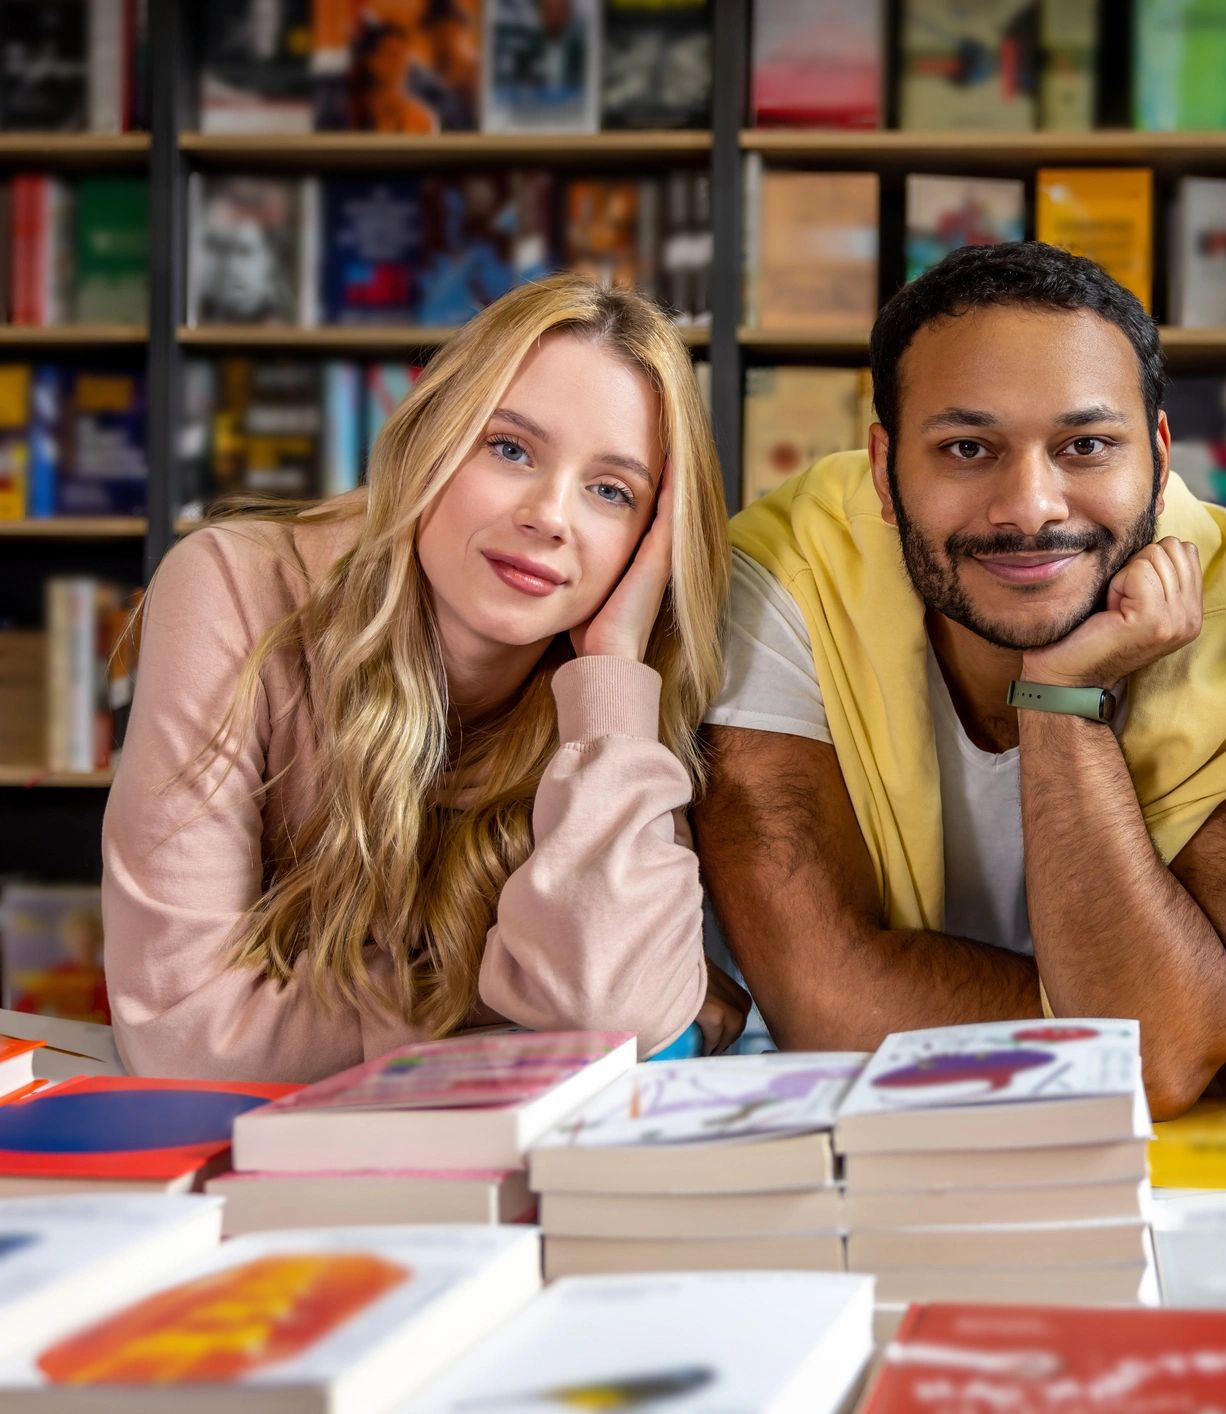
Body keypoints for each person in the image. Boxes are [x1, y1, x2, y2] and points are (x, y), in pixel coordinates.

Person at [696, 242, 1226, 1118]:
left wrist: (1058, 700)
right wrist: (1126, 1033)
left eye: (1086, 445)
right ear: (887, 471)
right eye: (968, 448)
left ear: (1158, 454)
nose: (1031, 508)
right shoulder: (778, 574)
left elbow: (1157, 1060)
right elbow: (822, 1002)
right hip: (841, 1131)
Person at [105, 276, 747, 1082]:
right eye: (509, 448)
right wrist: (509, 1002)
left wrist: (613, 675)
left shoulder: (613, 684)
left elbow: (606, 1011)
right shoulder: (235, 589)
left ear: (652, 542)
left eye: (610, 492)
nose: (549, 515)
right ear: (427, 443)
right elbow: (182, 1033)